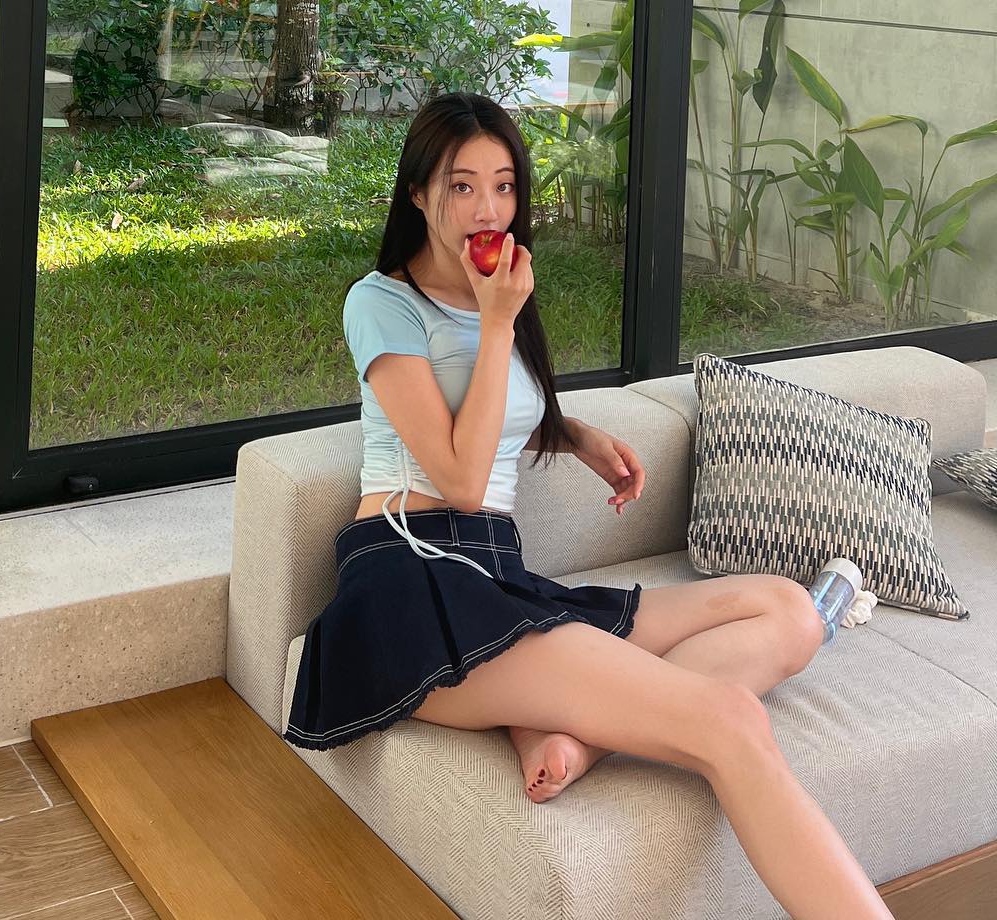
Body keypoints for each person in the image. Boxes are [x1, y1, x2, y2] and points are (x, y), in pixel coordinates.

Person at [283, 92, 891, 920]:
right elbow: (459, 480)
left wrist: (575, 435)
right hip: (414, 581)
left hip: (496, 574)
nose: (487, 209)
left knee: (791, 612)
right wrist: (497, 323)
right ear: (418, 194)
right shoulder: (382, 303)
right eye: (461, 186)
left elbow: (489, 415)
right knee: (728, 721)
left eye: (503, 186)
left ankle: (580, 735)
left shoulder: (496, 294)